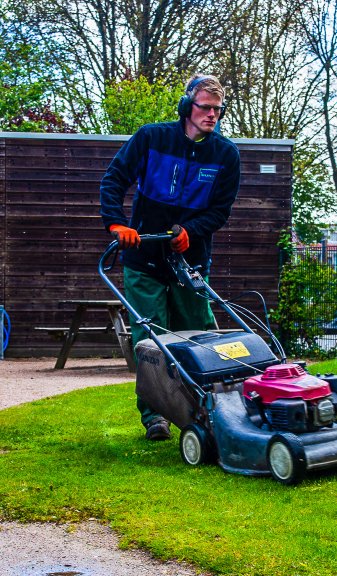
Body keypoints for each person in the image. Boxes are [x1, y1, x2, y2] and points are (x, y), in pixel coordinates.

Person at [99, 74, 242, 440]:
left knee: (198, 333)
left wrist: (190, 230)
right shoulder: (151, 138)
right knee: (150, 336)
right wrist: (117, 224)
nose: (211, 114)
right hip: (143, 254)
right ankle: (156, 416)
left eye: (217, 109)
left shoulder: (225, 154)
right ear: (186, 106)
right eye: (204, 106)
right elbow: (114, 179)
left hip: (189, 261)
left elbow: (220, 211)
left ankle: (207, 406)